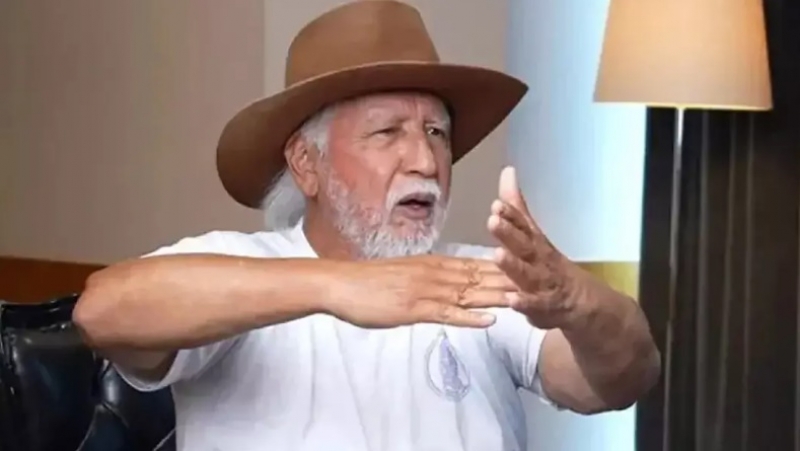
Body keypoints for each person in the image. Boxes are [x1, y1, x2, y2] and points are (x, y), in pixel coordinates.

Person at [73, 1, 660, 450]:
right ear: (307, 164)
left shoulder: (476, 277)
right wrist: (338, 286)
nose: (426, 161)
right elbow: (101, 312)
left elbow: (618, 382)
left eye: (437, 133)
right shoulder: (238, 265)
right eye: (387, 133)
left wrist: (576, 301)